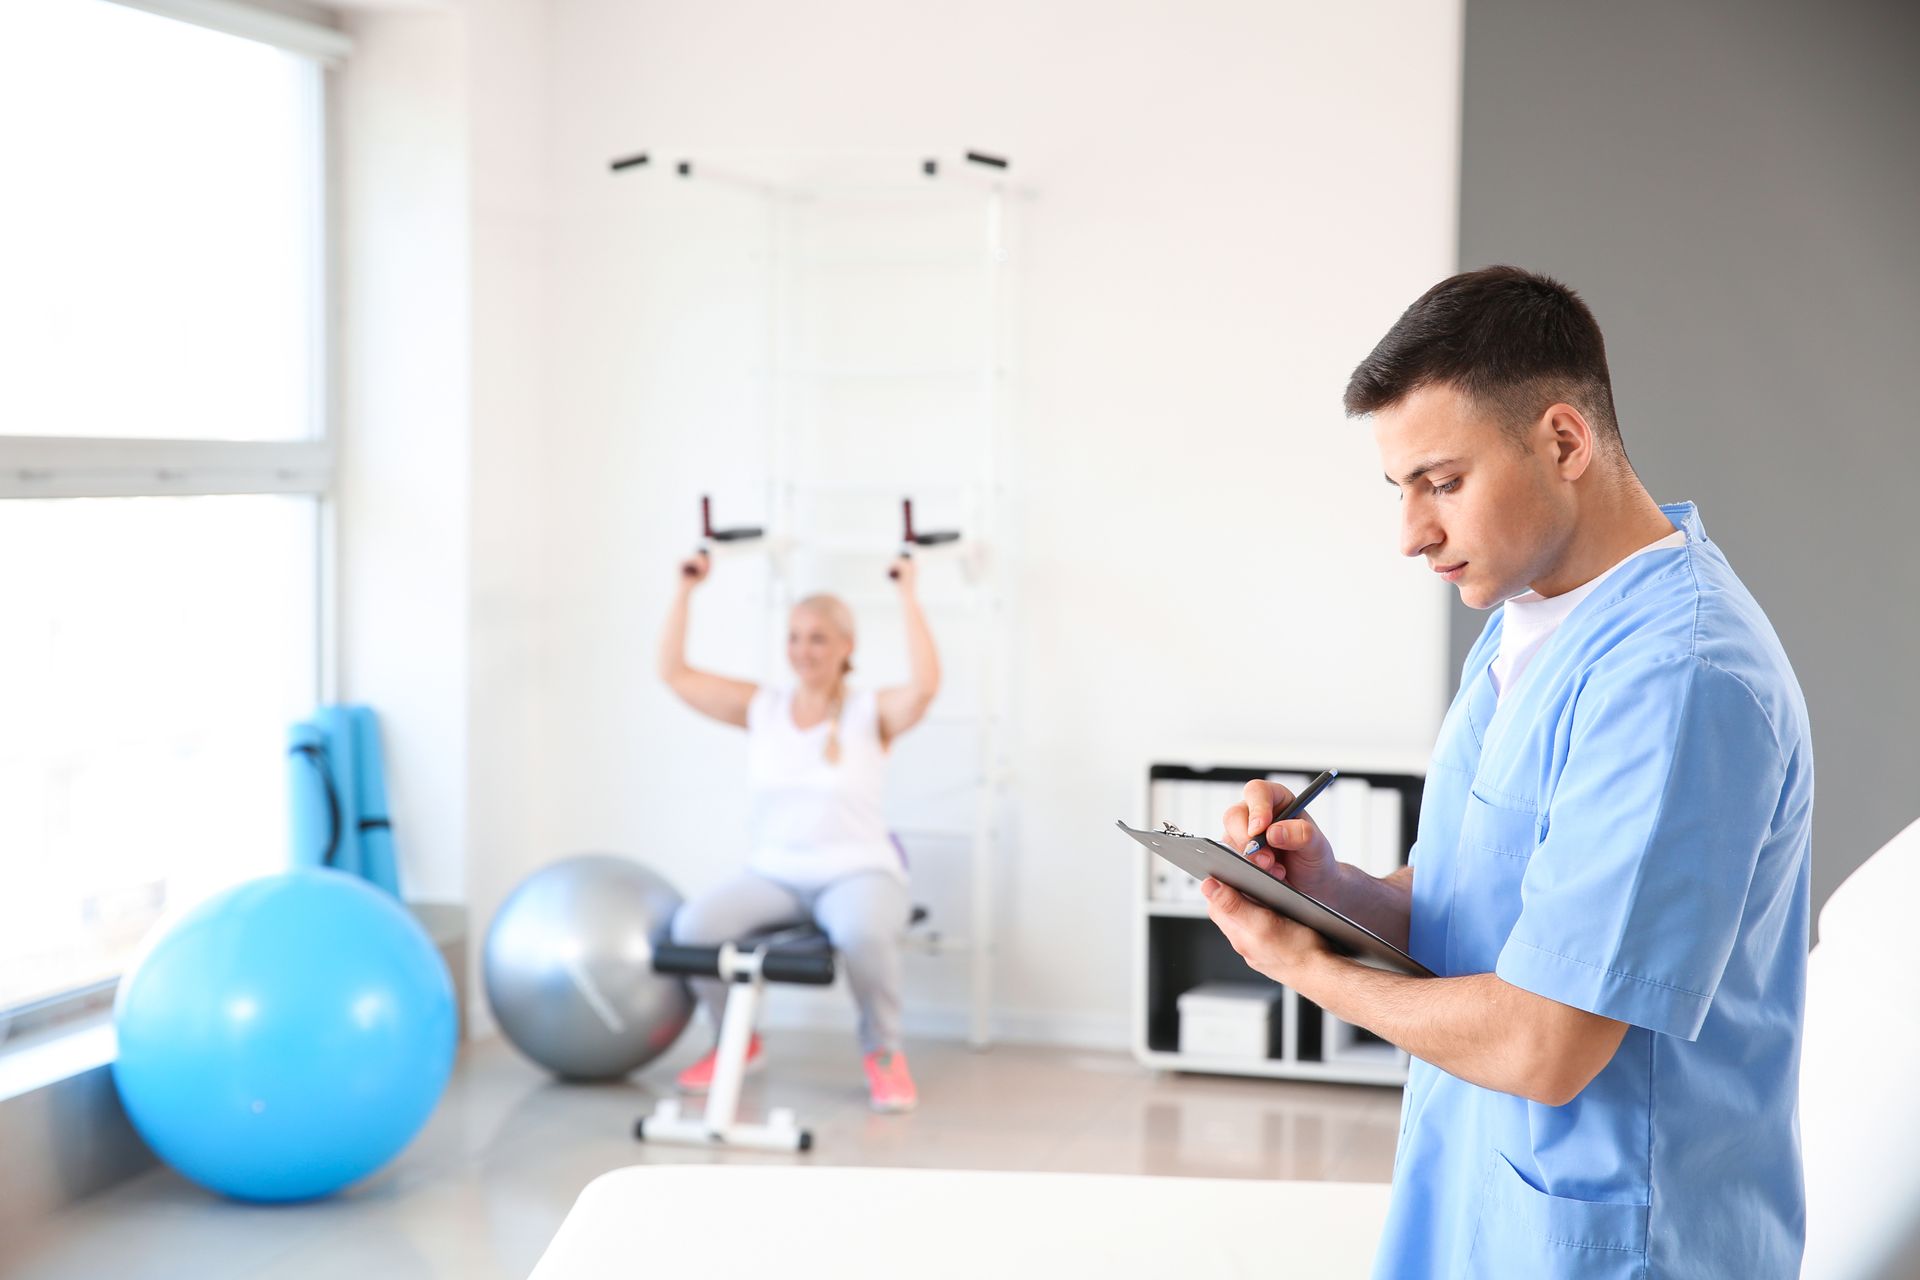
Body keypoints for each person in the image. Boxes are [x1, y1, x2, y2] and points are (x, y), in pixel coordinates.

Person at [1201, 266, 1812, 1277]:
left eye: (1442, 482)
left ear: (1564, 441)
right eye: (1401, 490)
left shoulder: (1679, 677)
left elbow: (1546, 1041)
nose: (1411, 533)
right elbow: (1482, 908)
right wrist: (1329, 893)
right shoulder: (1523, 617)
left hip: (1621, 1238)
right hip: (1486, 1201)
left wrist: (1307, 969)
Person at [659, 547, 940, 1112]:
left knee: (860, 935)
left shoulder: (870, 712)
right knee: (693, 927)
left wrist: (908, 594)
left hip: (859, 871)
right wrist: (685, 590)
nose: (803, 650)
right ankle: (736, 1045)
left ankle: (883, 1053)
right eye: (794, 637)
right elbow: (675, 675)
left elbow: (926, 686)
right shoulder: (763, 707)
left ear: (845, 647)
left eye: (817, 638)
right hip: (777, 873)